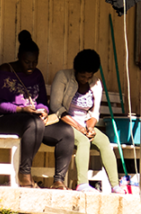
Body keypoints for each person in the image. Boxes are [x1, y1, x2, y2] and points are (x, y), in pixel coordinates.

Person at [0, 30, 74, 188]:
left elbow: (41, 101)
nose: (31, 66)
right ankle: (25, 174)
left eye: (35, 62)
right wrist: (21, 110)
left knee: (66, 132)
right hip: (3, 119)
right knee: (34, 123)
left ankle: (58, 181)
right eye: (27, 62)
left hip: (33, 120)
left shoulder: (37, 74)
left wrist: (43, 111)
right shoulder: (6, 71)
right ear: (19, 57)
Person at [49, 49, 120, 192]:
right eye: (82, 76)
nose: (86, 79)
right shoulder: (63, 76)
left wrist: (91, 128)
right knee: (83, 141)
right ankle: (82, 184)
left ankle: (115, 186)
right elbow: (56, 107)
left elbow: (94, 112)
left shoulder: (96, 83)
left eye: (89, 76)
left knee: (104, 141)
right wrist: (79, 128)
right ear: (76, 69)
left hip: (84, 124)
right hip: (63, 122)